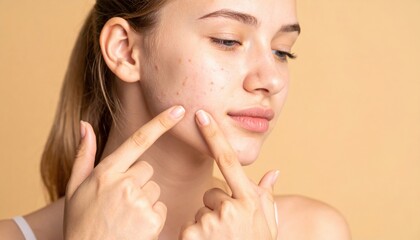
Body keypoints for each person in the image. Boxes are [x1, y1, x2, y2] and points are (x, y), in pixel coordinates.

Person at [0, 0, 351, 239]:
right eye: (227, 40)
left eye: (281, 51)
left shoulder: (312, 231)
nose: (271, 79)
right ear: (125, 50)